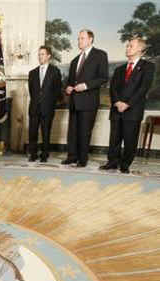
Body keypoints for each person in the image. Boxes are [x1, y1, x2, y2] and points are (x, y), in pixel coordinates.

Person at [100, 37, 155, 174]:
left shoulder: (148, 67)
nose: (127, 48)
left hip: (133, 110)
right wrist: (117, 102)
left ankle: (125, 164)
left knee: (130, 138)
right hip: (117, 109)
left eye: (131, 46)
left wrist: (128, 104)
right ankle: (112, 162)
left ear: (140, 50)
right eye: (127, 46)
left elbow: (143, 88)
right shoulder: (119, 69)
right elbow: (113, 88)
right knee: (114, 139)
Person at [63, 29, 108, 167]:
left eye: (82, 38)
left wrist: (86, 85)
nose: (79, 41)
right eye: (78, 39)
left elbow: (103, 77)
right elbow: (70, 81)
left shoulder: (100, 55)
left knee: (84, 131)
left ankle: (82, 160)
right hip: (74, 101)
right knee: (73, 132)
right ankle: (72, 157)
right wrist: (68, 87)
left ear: (90, 39)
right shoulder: (75, 60)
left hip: (88, 101)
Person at [28, 46, 62, 162]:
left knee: (46, 132)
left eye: (42, 54)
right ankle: (33, 154)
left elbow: (57, 90)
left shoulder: (55, 71)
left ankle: (44, 154)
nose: (40, 56)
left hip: (47, 108)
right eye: (39, 54)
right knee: (32, 132)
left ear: (48, 56)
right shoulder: (32, 73)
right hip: (34, 108)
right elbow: (31, 91)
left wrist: (50, 103)